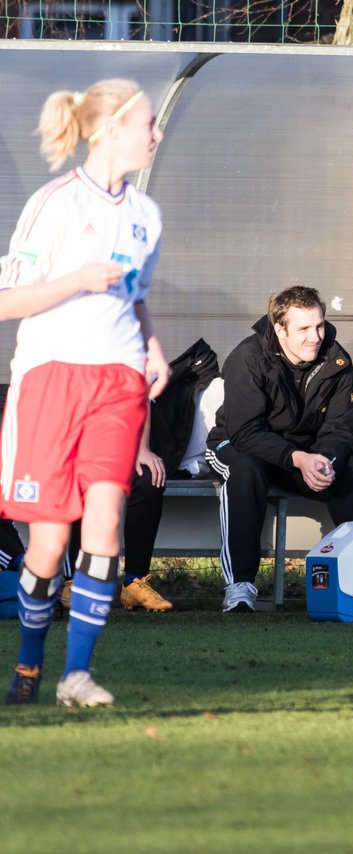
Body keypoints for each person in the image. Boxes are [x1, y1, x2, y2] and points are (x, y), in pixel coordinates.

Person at [0, 78, 169, 707]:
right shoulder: (55, 204)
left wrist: (151, 349)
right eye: (148, 123)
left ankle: (76, 676)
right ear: (110, 131)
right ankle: (28, 667)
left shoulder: (147, 216)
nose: (156, 134)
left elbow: (137, 298)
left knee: (105, 524)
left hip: (117, 381)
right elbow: (7, 301)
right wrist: (74, 280)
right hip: (50, 378)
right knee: (48, 544)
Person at [205, 286, 353, 613]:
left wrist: (325, 460)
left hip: (308, 454)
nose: (315, 336)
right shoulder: (248, 358)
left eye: (319, 325)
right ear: (279, 329)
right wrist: (298, 458)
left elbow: (344, 427)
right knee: (244, 470)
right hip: (239, 445)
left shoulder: (337, 359)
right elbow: (245, 432)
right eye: (304, 329)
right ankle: (240, 584)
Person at [60, 338, 222, 612]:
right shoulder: (64, 346)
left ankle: (134, 581)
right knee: (80, 478)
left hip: (119, 442)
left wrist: (142, 448)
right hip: (72, 445)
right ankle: (74, 580)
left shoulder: (122, 336)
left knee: (149, 475)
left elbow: (139, 397)